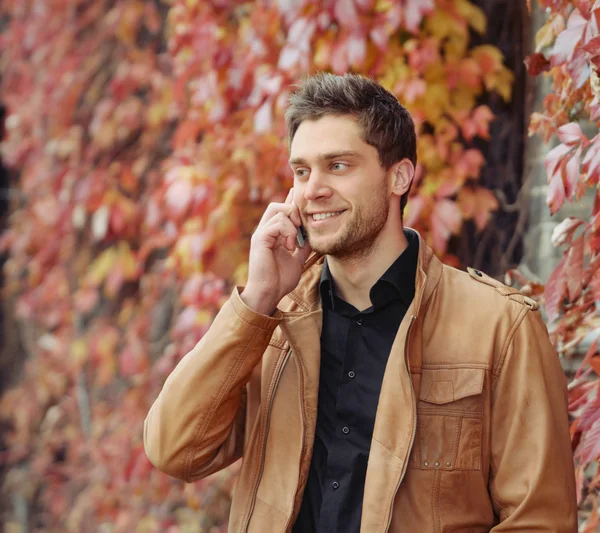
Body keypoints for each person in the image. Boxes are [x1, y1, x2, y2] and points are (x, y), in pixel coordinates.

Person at [144, 73, 578, 532]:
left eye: (339, 166)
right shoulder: (271, 327)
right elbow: (175, 449)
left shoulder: (500, 327)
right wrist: (259, 299)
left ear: (399, 176)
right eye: (302, 171)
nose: (313, 190)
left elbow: (540, 520)